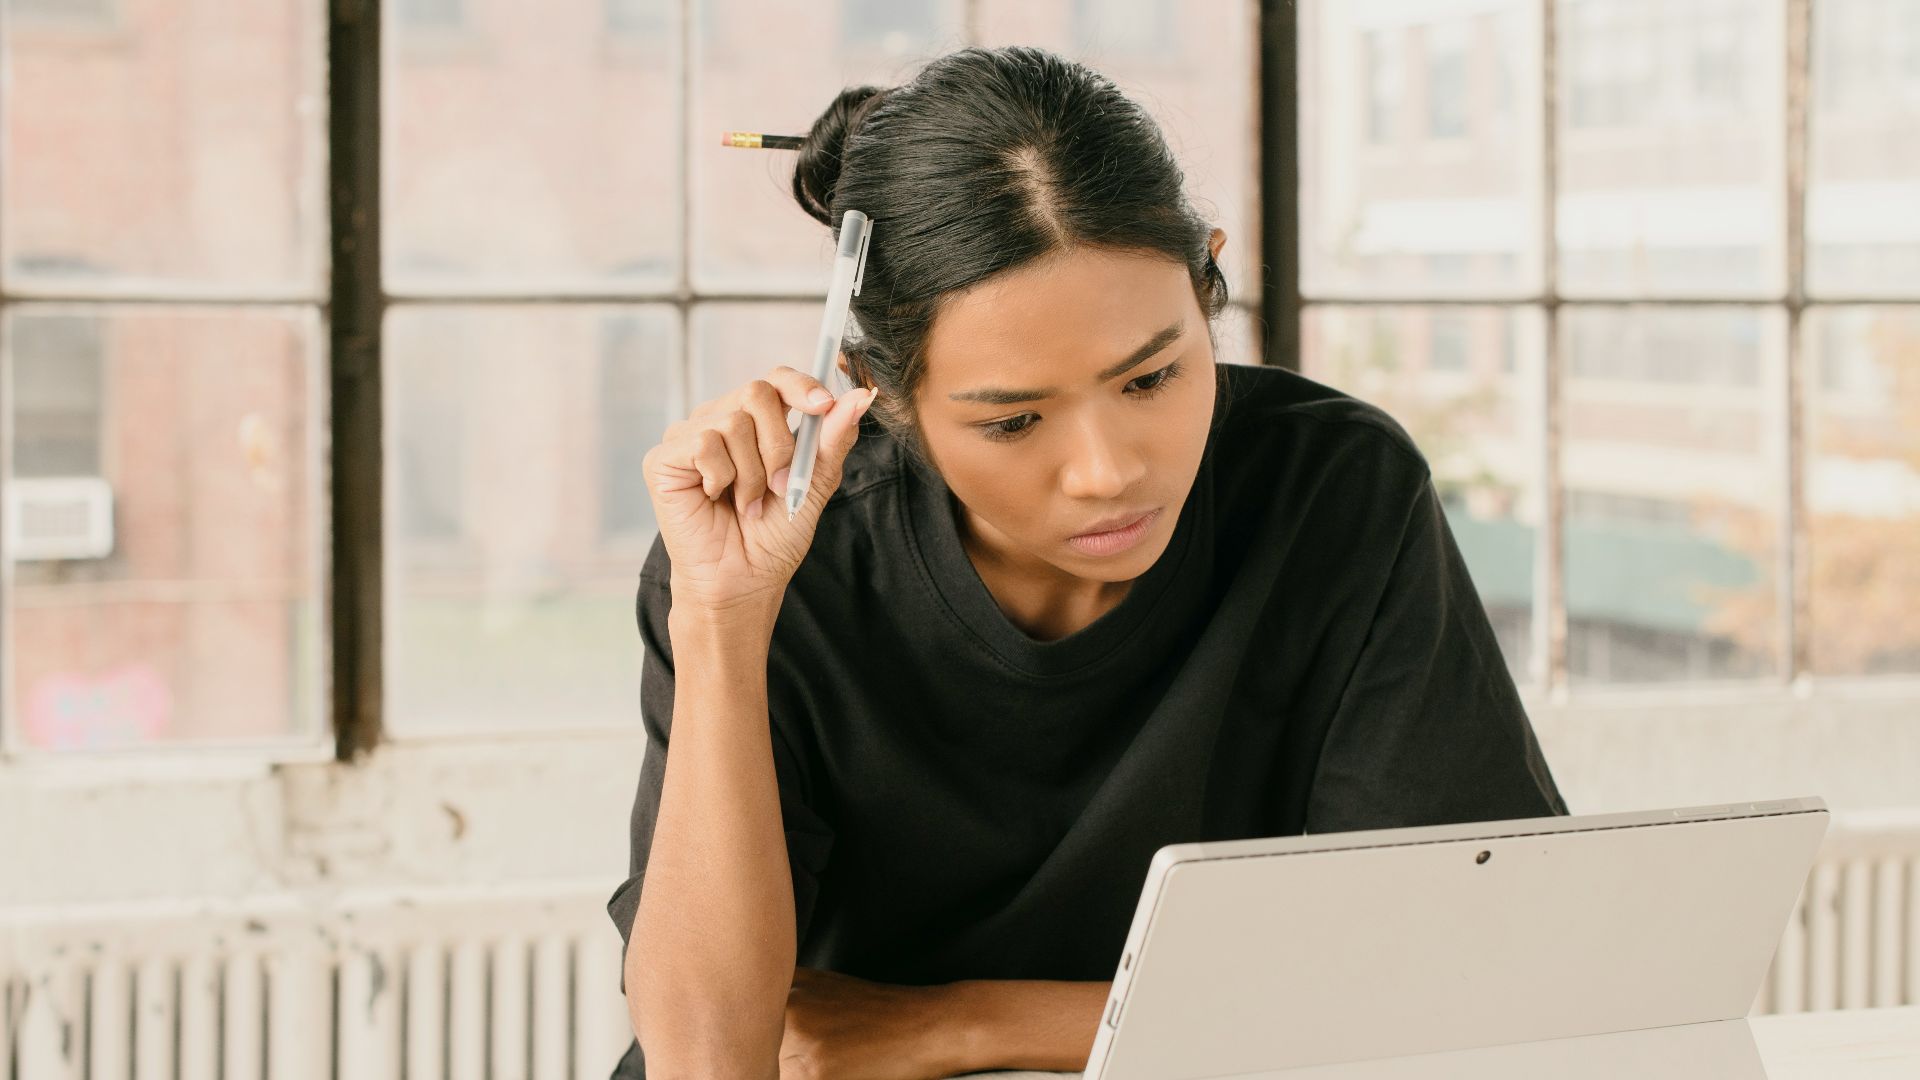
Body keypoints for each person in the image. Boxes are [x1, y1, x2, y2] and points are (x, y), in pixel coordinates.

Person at [607, 45, 1567, 1080]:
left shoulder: (1332, 489)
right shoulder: (769, 556)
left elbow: (1473, 976)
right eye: (1015, 419)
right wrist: (722, 615)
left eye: (1152, 378)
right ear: (875, 388)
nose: (1109, 473)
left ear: (1208, 281)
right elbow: (709, 1061)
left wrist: (958, 1026)